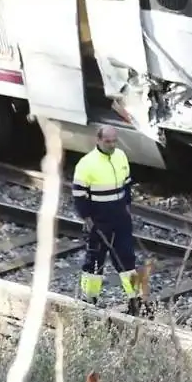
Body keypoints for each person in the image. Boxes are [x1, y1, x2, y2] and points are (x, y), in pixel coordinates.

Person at [71, 126, 142, 315]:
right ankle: (88, 301)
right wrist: (86, 217)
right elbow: (79, 194)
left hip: (120, 218)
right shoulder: (86, 164)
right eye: (107, 141)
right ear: (98, 140)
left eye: (114, 141)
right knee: (95, 261)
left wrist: (127, 205)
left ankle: (135, 300)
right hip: (98, 220)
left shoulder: (120, 156)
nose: (111, 145)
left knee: (127, 259)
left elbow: (126, 184)